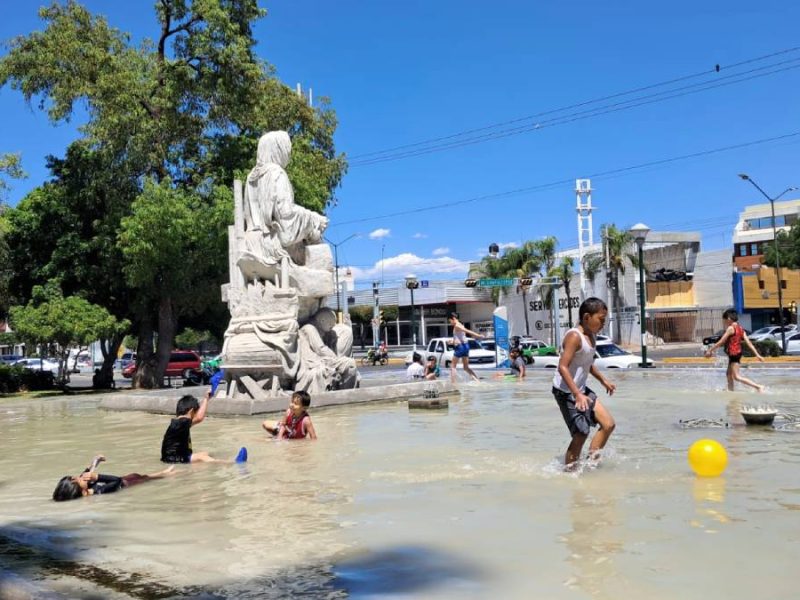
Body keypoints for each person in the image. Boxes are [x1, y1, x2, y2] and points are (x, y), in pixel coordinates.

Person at [552, 297, 617, 470]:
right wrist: (577, 394)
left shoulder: (592, 336)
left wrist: (604, 380)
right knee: (581, 433)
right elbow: (562, 367)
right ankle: (570, 472)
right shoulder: (574, 336)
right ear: (587, 317)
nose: (603, 323)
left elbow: (587, 362)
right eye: (601, 320)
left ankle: (591, 464)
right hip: (566, 391)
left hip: (579, 389)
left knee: (608, 424)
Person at [161, 391, 248, 463]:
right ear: (191, 411)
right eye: (195, 412)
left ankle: (216, 460)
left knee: (205, 453)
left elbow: (197, 418)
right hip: (173, 459)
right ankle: (232, 463)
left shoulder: (180, 424)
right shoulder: (183, 422)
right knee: (202, 457)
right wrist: (206, 399)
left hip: (174, 457)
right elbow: (199, 418)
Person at [52, 455, 176, 502]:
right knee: (146, 478)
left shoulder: (86, 486)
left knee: (146, 476)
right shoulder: (99, 492)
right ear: (82, 492)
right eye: (80, 480)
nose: (81, 478)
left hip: (127, 479)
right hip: (129, 483)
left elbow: (85, 474)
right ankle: (166, 474)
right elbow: (117, 481)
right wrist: (97, 476)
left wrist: (94, 462)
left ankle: (163, 473)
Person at [704, 308, 765, 392]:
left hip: (734, 354)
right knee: (729, 375)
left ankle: (758, 387)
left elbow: (722, 341)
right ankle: (731, 391)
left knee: (736, 376)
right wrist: (757, 355)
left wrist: (710, 350)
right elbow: (749, 343)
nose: (724, 323)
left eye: (724, 321)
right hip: (736, 353)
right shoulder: (741, 329)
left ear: (729, 319)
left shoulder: (731, 328)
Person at [448, 312, 484, 382]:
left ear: (453, 318)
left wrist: (478, 336)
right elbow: (461, 337)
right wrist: (452, 342)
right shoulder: (461, 325)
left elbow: (468, 331)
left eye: (450, 321)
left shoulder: (457, 325)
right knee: (466, 367)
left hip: (460, 347)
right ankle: (477, 381)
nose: (450, 323)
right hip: (466, 346)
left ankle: (453, 384)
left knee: (453, 367)